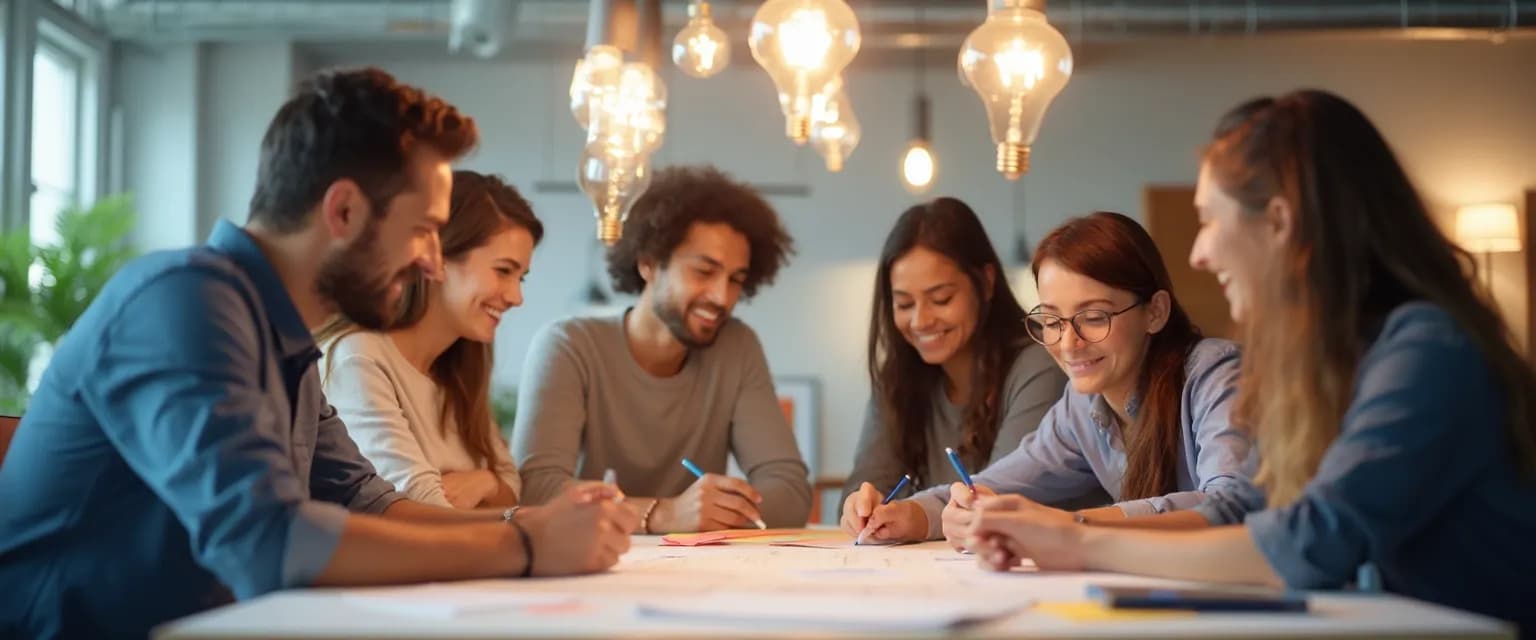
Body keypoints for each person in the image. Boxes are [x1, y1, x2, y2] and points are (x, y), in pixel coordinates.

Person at [0, 68, 633, 639]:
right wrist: (525, 547)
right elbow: (267, 542)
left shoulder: (285, 337)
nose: (431, 262)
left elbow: (373, 503)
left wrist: (531, 525)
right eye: (422, 230)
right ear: (345, 210)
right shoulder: (184, 302)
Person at [967, 90, 1536, 631]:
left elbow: (1309, 542)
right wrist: (1065, 538)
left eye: (1210, 219)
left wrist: (1076, 540)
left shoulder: (1427, 348)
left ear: (1280, 222)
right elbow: (1242, 506)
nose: (1199, 252)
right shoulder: (1324, 365)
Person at [846, 210, 1263, 545]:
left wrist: (1072, 524)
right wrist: (911, 515)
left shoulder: (1215, 374)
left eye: (1093, 317)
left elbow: (1229, 505)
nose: (1068, 343)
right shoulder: (1081, 408)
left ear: (1154, 312)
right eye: (1051, 321)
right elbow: (993, 487)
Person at [513, 165, 812, 533]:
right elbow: (537, 489)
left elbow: (791, 491)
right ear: (649, 263)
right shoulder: (569, 346)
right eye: (704, 272)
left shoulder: (737, 348)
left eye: (736, 280)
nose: (722, 297)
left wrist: (722, 510)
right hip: (591, 554)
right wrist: (662, 514)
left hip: (699, 562)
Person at [839, 198, 1072, 530]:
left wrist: (915, 516)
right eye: (904, 304)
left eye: (941, 299)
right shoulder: (898, 377)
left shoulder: (1038, 364)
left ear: (986, 282)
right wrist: (861, 507)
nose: (920, 320)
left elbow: (999, 497)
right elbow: (867, 483)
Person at [317, 171, 539, 510]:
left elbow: (510, 481)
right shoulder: (359, 358)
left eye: (521, 278)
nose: (516, 297)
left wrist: (486, 482)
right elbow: (420, 508)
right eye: (503, 271)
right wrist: (520, 519)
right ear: (438, 258)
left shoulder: (458, 367)